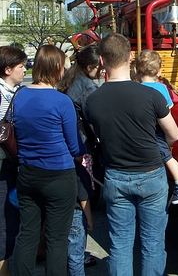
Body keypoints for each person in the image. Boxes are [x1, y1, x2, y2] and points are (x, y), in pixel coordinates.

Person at [85, 33, 178, 275]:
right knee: (152, 244)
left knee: (120, 245)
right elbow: (173, 136)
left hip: (115, 176)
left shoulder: (91, 101)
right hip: (151, 174)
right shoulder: (152, 95)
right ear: (130, 57)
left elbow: (99, 135)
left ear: (103, 61)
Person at [14, 45, 85, 276]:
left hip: (27, 172)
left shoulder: (19, 95)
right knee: (56, 240)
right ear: (56, 66)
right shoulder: (61, 101)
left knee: (28, 234)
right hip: (58, 176)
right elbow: (75, 147)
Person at [57, 44, 103, 271]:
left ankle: (72, 251)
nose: (101, 71)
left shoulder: (69, 78)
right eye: (98, 67)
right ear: (89, 67)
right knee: (82, 195)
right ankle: (77, 254)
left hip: (67, 143)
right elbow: (96, 119)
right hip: (81, 144)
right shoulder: (87, 87)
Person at [135, 49, 178, 204]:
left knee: (165, 156)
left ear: (136, 70)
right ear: (159, 72)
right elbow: (169, 108)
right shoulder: (162, 88)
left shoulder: (136, 89)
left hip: (148, 129)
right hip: (159, 128)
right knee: (166, 156)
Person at [0, 46, 26, 276]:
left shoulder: (13, 91)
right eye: (21, 66)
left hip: (9, 162)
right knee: (4, 217)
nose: (25, 70)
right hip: (3, 164)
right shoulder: (1, 95)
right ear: (7, 69)